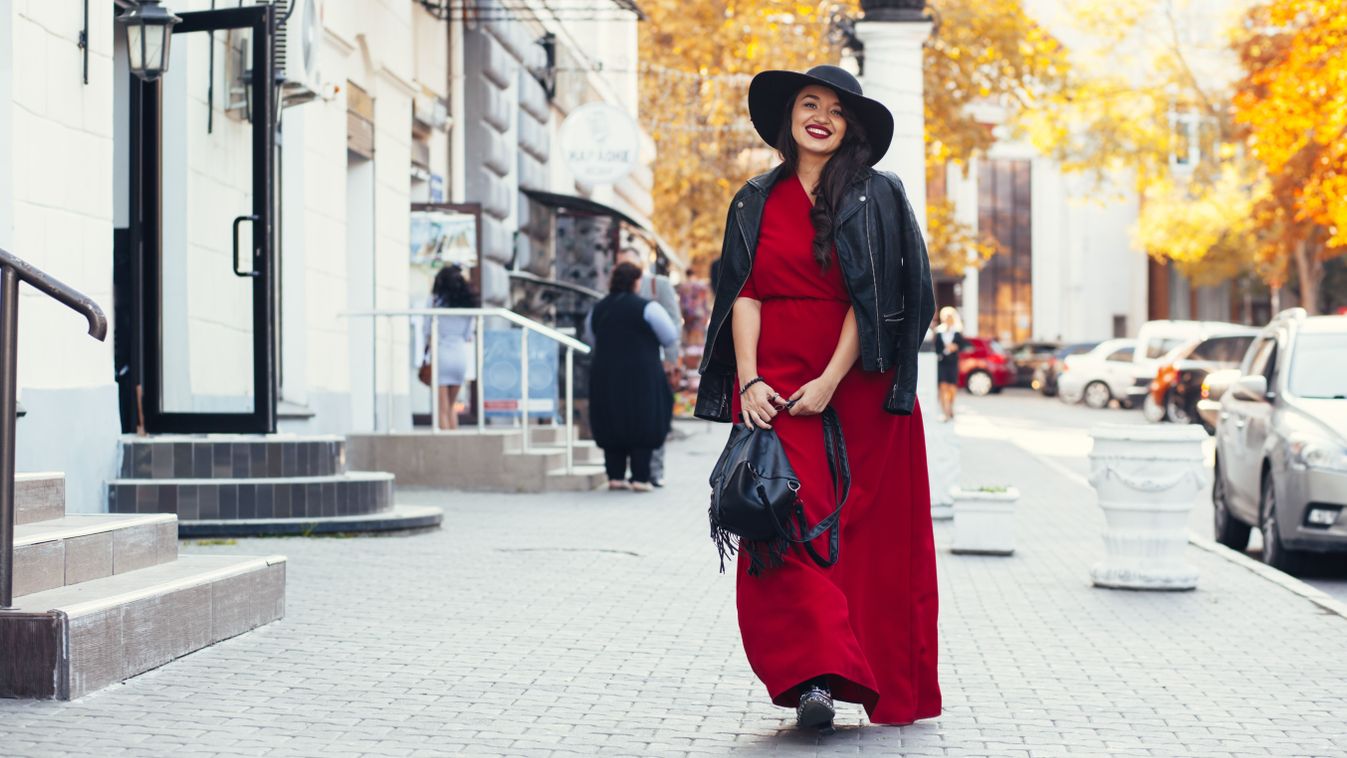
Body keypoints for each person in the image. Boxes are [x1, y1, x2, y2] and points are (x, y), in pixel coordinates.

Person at [695, 65, 941, 730]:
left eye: (836, 109)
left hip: (856, 389)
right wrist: (748, 380)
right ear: (790, 118)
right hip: (774, 393)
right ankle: (810, 677)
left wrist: (831, 380)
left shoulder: (877, 194)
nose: (821, 117)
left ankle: (851, 673)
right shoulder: (752, 198)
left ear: (850, 127)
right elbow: (742, 293)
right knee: (777, 525)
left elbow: (881, 297)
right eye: (810, 103)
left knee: (867, 542)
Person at [585, 262, 678, 492]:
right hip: (642, 376)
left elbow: (590, 338)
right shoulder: (647, 308)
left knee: (610, 417)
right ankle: (640, 478)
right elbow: (669, 336)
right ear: (636, 282)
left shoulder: (598, 308)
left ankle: (615, 477)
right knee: (642, 420)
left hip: (605, 375)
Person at [616, 249, 683, 487]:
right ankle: (630, 471)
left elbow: (674, 322)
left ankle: (655, 471)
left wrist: (671, 359)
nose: (625, 270)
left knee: (656, 415)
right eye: (621, 265)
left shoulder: (658, 285)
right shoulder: (617, 289)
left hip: (657, 362)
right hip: (627, 366)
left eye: (629, 265)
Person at [424, 265, 478, 430]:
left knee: (442, 409)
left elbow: (427, 330)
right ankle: (456, 447)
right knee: (451, 406)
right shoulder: (467, 305)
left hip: (441, 355)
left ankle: (446, 448)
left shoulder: (434, 301)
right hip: (460, 357)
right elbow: (468, 334)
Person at [934, 307, 968, 422]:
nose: (948, 320)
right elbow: (936, 348)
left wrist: (955, 347)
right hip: (942, 362)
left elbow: (963, 346)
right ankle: (945, 412)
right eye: (946, 317)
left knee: (952, 388)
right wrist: (943, 349)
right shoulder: (939, 332)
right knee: (943, 387)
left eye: (950, 317)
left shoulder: (957, 332)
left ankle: (951, 406)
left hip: (953, 363)